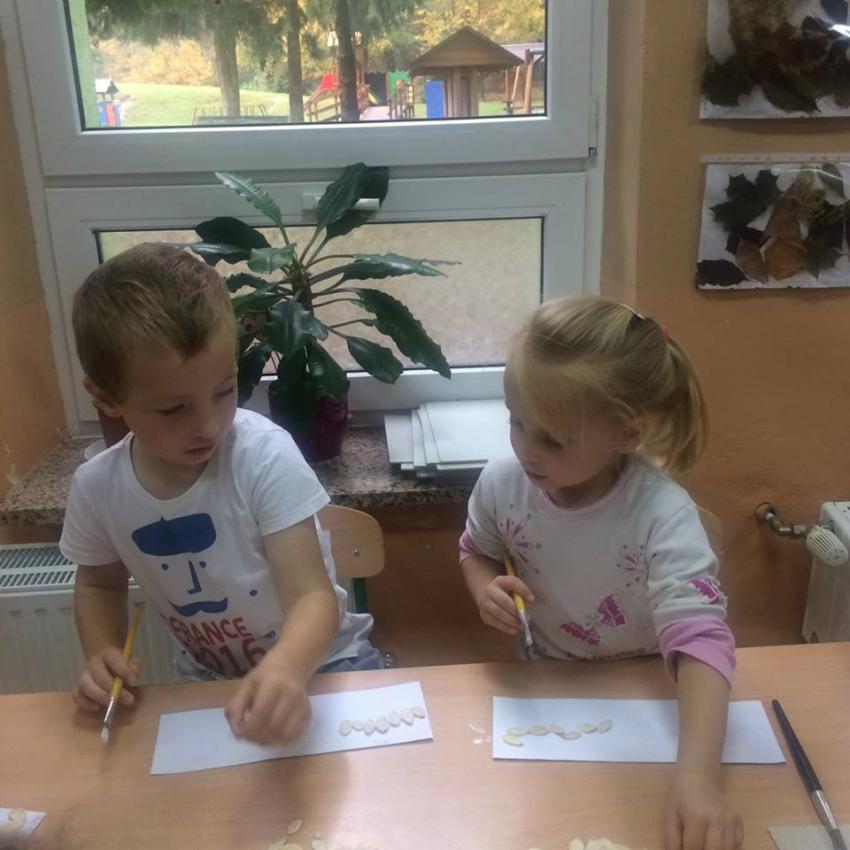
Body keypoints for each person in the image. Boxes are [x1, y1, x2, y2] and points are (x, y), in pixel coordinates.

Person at [60, 243, 378, 746]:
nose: (208, 425)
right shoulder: (98, 487)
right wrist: (101, 651)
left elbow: (312, 595)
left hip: (325, 664)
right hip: (209, 678)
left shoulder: (263, 455)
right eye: (174, 409)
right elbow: (99, 585)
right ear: (105, 397)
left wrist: (286, 669)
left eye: (225, 391)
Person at [459, 296, 741, 850]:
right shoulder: (502, 483)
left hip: (649, 691)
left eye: (552, 438)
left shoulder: (662, 515)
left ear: (627, 434)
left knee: (626, 817)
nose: (525, 449)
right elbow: (476, 549)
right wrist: (483, 585)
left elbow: (702, 643)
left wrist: (698, 779)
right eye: (516, 422)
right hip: (551, 680)